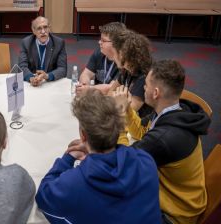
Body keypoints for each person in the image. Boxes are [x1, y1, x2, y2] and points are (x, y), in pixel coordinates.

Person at [35, 89, 161, 223]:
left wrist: (68, 157)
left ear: (83, 135)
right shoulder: (146, 161)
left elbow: (43, 197)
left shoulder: (73, 184)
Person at [114, 60, 211, 224]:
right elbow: (140, 132)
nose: (143, 88)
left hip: (175, 214)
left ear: (156, 92)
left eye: (145, 85)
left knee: (111, 197)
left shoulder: (164, 137)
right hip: (183, 196)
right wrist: (128, 109)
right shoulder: (176, 111)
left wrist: (119, 116)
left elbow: (122, 162)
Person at [110, 29, 153, 117]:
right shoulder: (126, 70)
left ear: (122, 55)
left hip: (140, 126)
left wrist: (116, 101)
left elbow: (129, 112)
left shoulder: (144, 78)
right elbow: (110, 92)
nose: (113, 57)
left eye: (114, 53)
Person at [76, 22, 126, 95]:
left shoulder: (124, 61)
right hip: (96, 96)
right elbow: (86, 73)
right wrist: (84, 85)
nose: (99, 42)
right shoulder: (99, 53)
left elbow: (111, 87)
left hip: (112, 99)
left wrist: (89, 89)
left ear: (116, 43)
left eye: (103, 40)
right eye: (100, 39)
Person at [19, 16, 67, 87]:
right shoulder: (26, 43)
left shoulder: (59, 43)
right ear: (34, 31)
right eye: (39, 28)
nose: (43, 32)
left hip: (50, 83)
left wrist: (47, 76)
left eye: (45, 27)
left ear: (49, 28)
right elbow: (22, 66)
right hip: (32, 83)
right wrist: (30, 78)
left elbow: (62, 69)